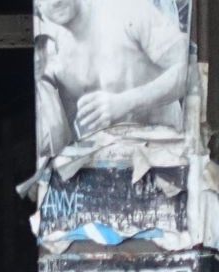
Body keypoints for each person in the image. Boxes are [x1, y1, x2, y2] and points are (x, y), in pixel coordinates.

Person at [34, 0, 190, 161]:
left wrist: (126, 102)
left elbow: (188, 71)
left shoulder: (128, 11)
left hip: (162, 161)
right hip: (103, 171)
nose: (55, 1)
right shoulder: (51, 51)